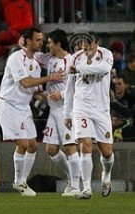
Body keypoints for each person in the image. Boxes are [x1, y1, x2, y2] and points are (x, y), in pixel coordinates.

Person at [0, 27, 64, 196]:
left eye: (42, 40)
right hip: (9, 105)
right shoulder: (15, 58)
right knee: (23, 144)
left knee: (33, 145)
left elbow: (35, 87)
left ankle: (21, 182)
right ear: (27, 41)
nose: (41, 43)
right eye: (38, 40)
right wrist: (50, 77)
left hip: (24, 107)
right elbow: (26, 83)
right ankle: (18, 182)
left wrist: (54, 95)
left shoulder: (34, 63)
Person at [64, 31, 114, 199]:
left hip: (101, 109)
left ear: (97, 43)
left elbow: (104, 69)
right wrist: (67, 113)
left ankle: (106, 175)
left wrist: (79, 69)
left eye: (90, 48)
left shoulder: (106, 54)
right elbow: (69, 88)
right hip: (81, 107)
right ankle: (86, 189)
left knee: (106, 152)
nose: (87, 52)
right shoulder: (75, 57)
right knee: (85, 145)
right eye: (84, 48)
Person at [42, 29, 80, 196]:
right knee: (51, 149)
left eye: (50, 42)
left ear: (58, 43)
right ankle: (70, 178)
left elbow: (79, 87)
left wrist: (62, 94)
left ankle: (76, 186)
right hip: (53, 110)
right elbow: (33, 57)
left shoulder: (71, 61)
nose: (48, 45)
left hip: (67, 111)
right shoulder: (49, 58)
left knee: (70, 147)